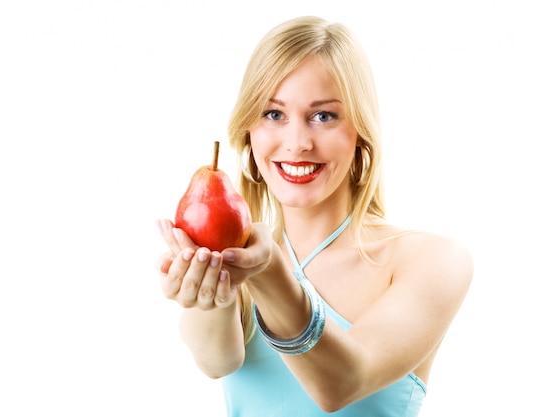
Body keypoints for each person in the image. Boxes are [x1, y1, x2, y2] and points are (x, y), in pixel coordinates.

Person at [156, 15, 473, 417]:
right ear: (248, 133)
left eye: (324, 116)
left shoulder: (433, 261)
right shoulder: (237, 259)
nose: (297, 143)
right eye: (273, 114)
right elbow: (217, 362)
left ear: (360, 132)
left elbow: (341, 384)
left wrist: (271, 273)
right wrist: (207, 289)